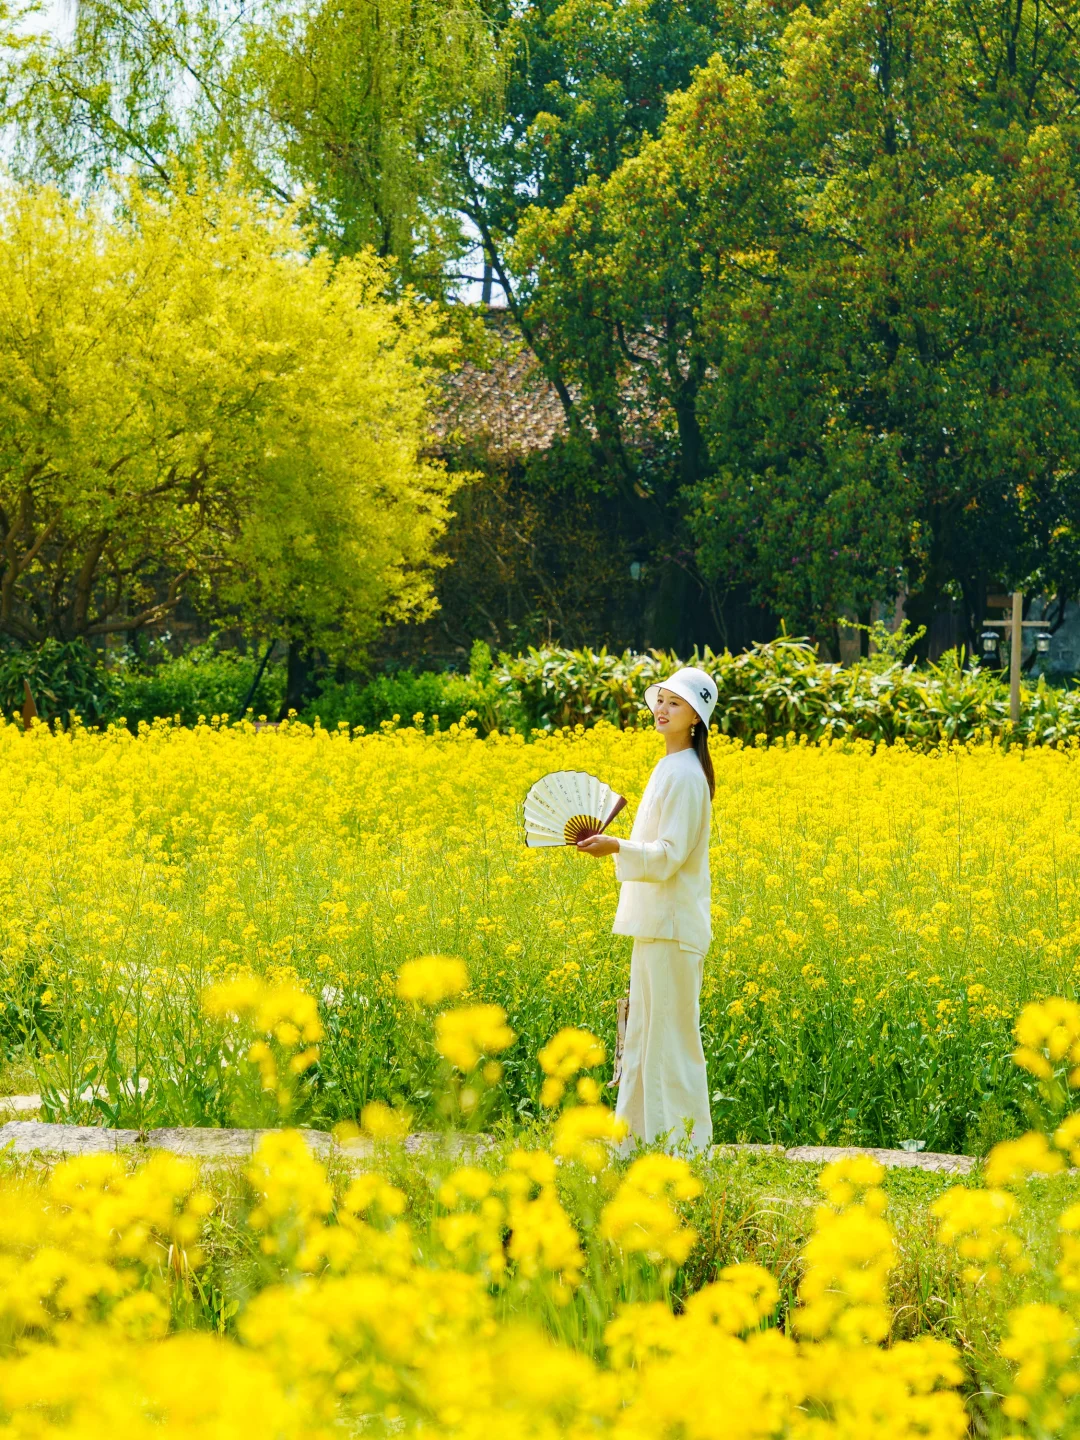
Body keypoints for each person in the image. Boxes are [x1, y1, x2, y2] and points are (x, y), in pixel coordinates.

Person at [576, 666, 716, 1153]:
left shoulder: (687, 776)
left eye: (676, 704)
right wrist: (618, 845)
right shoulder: (669, 768)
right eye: (661, 700)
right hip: (658, 925)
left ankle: (684, 1152)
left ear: (695, 718)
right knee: (642, 1040)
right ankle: (634, 1150)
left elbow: (670, 854)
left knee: (672, 1046)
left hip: (673, 927)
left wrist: (616, 845)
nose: (662, 709)